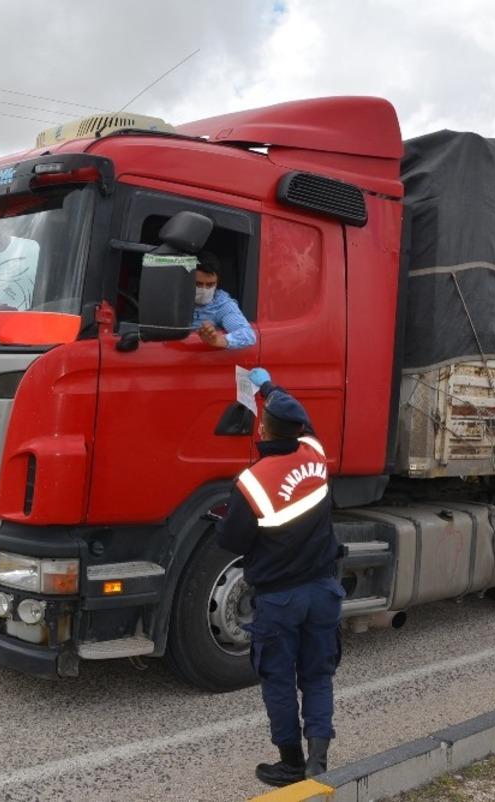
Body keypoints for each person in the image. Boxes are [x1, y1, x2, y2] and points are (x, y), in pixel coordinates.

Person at [217, 368, 344, 786]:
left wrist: (221, 520)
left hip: (280, 599)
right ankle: (318, 760)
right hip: (324, 590)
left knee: (278, 678)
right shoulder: (314, 454)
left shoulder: (252, 483)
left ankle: (290, 763)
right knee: (317, 674)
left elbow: (233, 541)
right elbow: (301, 418)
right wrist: (270, 388)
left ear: (265, 427)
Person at [192, 251, 256, 350]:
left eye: (210, 285)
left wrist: (217, 340)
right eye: (198, 284)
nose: (204, 289)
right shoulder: (170, 298)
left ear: (217, 283)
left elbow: (247, 335)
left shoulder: (221, 304)